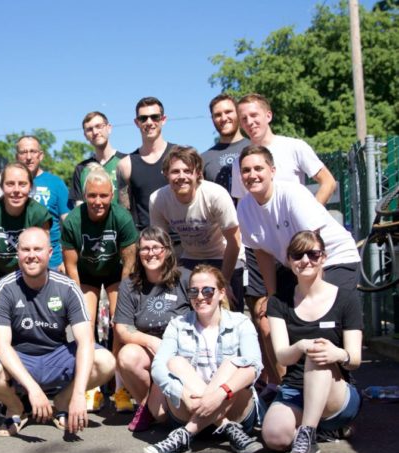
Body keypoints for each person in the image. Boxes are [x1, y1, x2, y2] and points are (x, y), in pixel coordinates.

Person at [231, 93, 337, 391]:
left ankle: (327, 391)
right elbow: (246, 211)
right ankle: (283, 389)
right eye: (244, 119)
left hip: (305, 251)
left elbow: (328, 181)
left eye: (254, 115)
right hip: (267, 251)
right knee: (267, 322)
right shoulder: (246, 159)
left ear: (268, 115)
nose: (249, 122)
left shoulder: (293, 146)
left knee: (313, 321)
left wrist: (304, 227)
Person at [0, 227, 116, 437]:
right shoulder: (4, 289)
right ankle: (16, 407)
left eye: (37, 249)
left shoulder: (68, 287)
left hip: (56, 356)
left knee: (106, 361)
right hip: (20, 358)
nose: (31, 255)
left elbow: (85, 342)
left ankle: (62, 402)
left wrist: (79, 394)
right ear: (18, 254)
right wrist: (33, 389)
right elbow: (1, 346)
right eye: (25, 249)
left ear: (49, 253)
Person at [143, 265, 264, 453]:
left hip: (234, 409)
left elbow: (255, 366)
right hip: (190, 407)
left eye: (208, 290)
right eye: (194, 291)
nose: (200, 296)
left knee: (233, 363)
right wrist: (182, 394)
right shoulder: (177, 325)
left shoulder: (241, 322)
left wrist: (218, 396)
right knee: (175, 362)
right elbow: (158, 367)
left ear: (222, 293)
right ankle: (225, 426)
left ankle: (185, 435)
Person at [262, 231, 363, 453]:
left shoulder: (346, 298)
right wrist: (300, 345)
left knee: (319, 352)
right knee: (274, 438)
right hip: (295, 391)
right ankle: (323, 430)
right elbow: (282, 357)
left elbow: (355, 359)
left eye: (313, 254)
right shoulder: (279, 302)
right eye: (297, 255)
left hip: (336, 395)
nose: (305, 260)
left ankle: (307, 434)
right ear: (289, 261)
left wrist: (337, 353)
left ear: (323, 258)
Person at [61, 165, 138, 413]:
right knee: (86, 324)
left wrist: (123, 305)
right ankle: (92, 385)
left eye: (103, 196)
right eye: (92, 196)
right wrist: (76, 304)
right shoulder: (74, 221)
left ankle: (119, 386)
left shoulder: (122, 218)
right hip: (86, 274)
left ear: (112, 195)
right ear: (84, 196)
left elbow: (129, 264)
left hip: (116, 273)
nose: (97, 201)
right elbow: (71, 268)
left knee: (120, 325)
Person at [237, 145, 361, 299]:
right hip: (297, 265)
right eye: (246, 170)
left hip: (333, 258)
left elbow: (312, 245)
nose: (252, 175)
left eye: (258, 168)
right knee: (280, 310)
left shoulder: (292, 194)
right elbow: (261, 253)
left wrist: (311, 295)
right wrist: (272, 296)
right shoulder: (244, 208)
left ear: (272, 171)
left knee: (324, 312)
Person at [148, 145, 244, 310]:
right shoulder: (158, 199)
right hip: (190, 257)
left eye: (187, 171)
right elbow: (160, 244)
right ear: (166, 174)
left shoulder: (215, 195)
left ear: (198, 173)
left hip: (225, 255)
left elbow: (234, 240)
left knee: (227, 305)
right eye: (175, 171)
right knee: (184, 307)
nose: (181, 177)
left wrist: (224, 283)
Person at [114, 226, 190, 432]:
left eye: (156, 247)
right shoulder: (129, 285)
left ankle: (158, 406)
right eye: (145, 249)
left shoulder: (185, 278)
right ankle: (147, 406)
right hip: (150, 346)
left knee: (166, 416)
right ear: (139, 254)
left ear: (167, 251)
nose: (151, 253)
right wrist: (152, 342)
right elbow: (122, 328)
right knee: (126, 357)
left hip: (184, 349)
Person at [0, 163, 52, 294]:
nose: (16, 190)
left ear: (30, 187)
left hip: (30, 275)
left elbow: (42, 258)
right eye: (10, 184)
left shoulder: (39, 215)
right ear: (2, 186)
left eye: (22, 184)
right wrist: (1, 296)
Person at [117, 97, 176, 231]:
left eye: (155, 117)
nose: (149, 122)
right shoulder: (126, 165)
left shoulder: (179, 156)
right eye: (143, 118)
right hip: (146, 245)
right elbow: (124, 212)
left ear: (163, 119)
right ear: (137, 122)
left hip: (182, 242)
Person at [16, 136, 70, 271]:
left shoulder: (56, 183)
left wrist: (66, 259)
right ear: (17, 156)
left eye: (33, 151)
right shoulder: (12, 184)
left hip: (53, 262)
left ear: (41, 155)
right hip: (19, 260)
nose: (28, 157)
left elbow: (69, 223)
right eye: (23, 152)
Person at [70, 111, 127, 208]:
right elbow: (79, 207)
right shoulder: (81, 168)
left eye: (98, 126)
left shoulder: (126, 161)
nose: (95, 132)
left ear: (109, 128)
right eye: (89, 129)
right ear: (85, 135)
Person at [201, 94, 250, 196]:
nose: (223, 118)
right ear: (212, 119)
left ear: (238, 113)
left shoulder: (256, 148)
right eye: (218, 115)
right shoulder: (203, 159)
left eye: (228, 112)